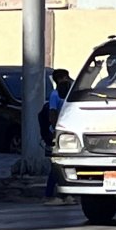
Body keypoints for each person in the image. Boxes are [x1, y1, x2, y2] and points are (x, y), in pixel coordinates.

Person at [43, 68, 73, 204]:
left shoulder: (67, 95)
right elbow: (52, 114)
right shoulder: (55, 95)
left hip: (67, 134)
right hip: (58, 135)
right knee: (56, 166)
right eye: (66, 78)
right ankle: (49, 195)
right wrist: (56, 132)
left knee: (65, 165)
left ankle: (65, 195)